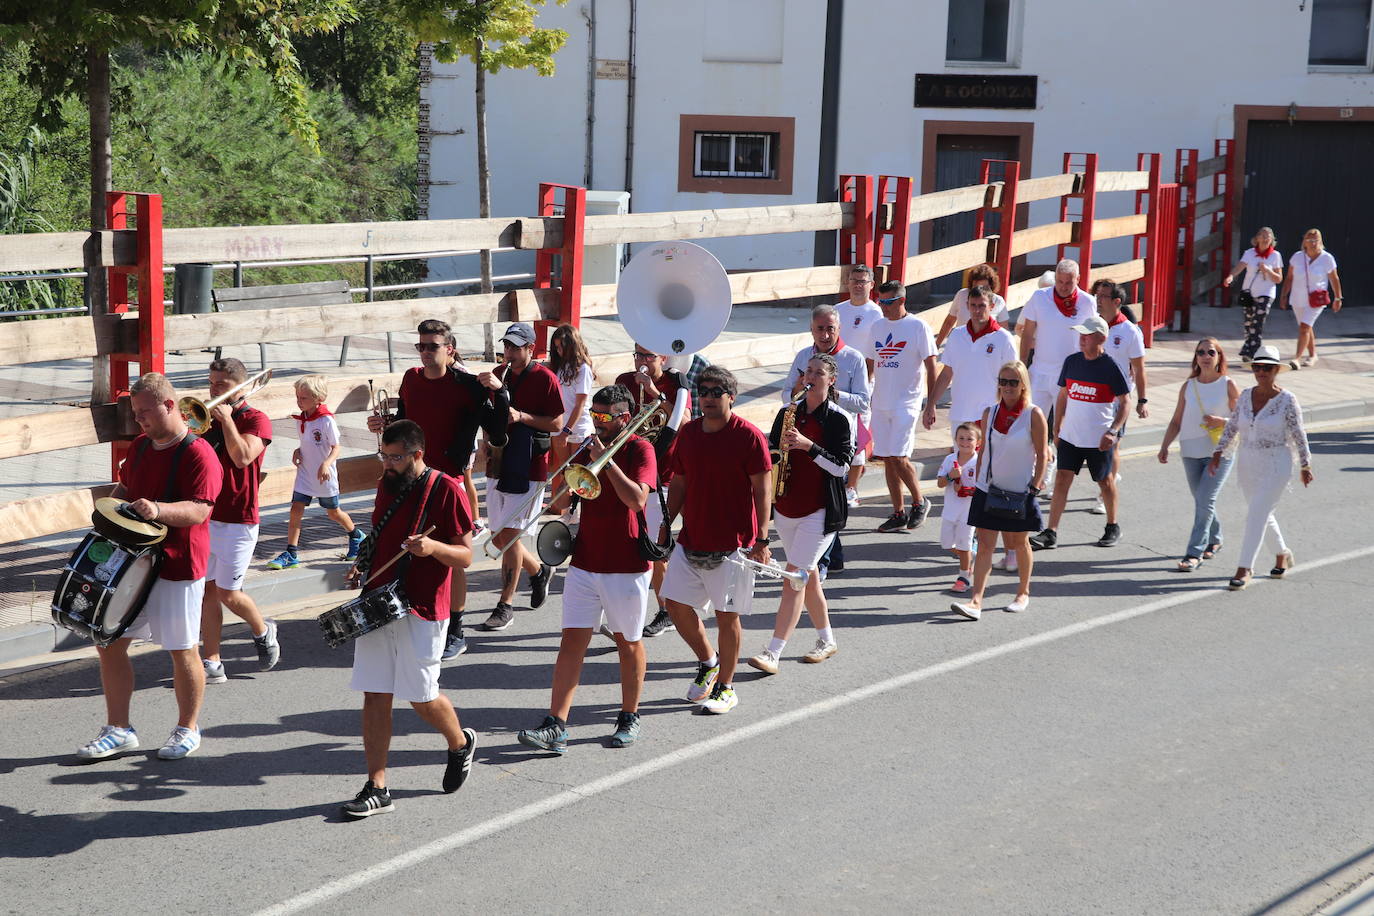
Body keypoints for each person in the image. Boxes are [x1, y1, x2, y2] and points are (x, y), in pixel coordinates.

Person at [76, 372, 222, 762]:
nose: (139, 420)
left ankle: (188, 728)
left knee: (182, 649)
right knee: (108, 642)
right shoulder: (140, 447)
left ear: (169, 405)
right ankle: (119, 729)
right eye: (135, 413)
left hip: (178, 565)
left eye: (144, 412)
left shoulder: (199, 453)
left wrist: (157, 509)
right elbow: (125, 488)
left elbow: (198, 510)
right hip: (133, 564)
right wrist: (112, 507)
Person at [340, 420, 477, 817]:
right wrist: (361, 564)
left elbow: (466, 555)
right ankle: (377, 785)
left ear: (417, 455)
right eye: (384, 455)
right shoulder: (388, 482)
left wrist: (433, 546)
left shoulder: (446, 488)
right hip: (379, 600)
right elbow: (378, 534)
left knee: (421, 696)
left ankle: (459, 743)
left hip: (423, 605)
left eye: (395, 457)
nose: (387, 463)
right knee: (375, 693)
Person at [516, 385, 657, 754]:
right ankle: (556, 724)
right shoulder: (588, 447)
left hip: (627, 567)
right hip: (584, 563)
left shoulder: (640, 449)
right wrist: (565, 464)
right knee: (571, 644)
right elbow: (561, 505)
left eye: (605, 416)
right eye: (594, 414)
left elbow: (637, 499)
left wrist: (606, 462)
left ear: (625, 418)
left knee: (628, 643)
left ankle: (629, 714)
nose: (597, 421)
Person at [369, 318, 511, 660]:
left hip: (446, 482)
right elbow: (406, 422)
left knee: (451, 557)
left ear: (450, 350)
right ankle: (408, 614)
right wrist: (384, 425)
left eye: (432, 346)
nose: (425, 353)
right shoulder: (411, 379)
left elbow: (499, 432)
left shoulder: (468, 385)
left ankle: (456, 629)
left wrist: (501, 392)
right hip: (410, 478)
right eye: (421, 346)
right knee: (410, 549)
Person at [660, 365, 772, 714]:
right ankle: (708, 661)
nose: (707, 397)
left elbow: (762, 488)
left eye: (715, 392)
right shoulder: (689, 435)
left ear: (730, 397)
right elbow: (679, 481)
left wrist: (763, 540)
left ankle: (725, 686)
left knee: (727, 616)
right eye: (703, 391)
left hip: (734, 545)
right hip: (691, 538)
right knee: (674, 604)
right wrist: (666, 525)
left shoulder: (749, 436)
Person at [749, 354, 852, 674]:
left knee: (794, 577)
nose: (811, 377)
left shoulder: (838, 418)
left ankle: (773, 651)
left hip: (820, 511)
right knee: (806, 581)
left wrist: (809, 446)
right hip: (787, 507)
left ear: (831, 380)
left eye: (818, 373)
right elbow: (773, 454)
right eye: (808, 371)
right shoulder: (787, 413)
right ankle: (827, 640)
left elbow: (842, 466)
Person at [477, 322, 564, 631]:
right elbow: (488, 414)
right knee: (499, 533)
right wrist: (485, 441)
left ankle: (505, 604)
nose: (510, 352)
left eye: (516, 347)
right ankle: (538, 570)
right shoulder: (498, 373)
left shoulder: (545, 378)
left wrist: (522, 417)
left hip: (529, 463)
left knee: (511, 534)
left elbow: (556, 423)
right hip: (499, 459)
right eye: (507, 346)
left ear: (531, 349)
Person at [198, 358, 278, 683]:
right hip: (205, 516)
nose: (214, 390)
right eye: (211, 382)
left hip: (239, 520)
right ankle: (212, 661)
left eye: (222, 385)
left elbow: (243, 456)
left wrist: (228, 421)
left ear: (242, 387)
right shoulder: (205, 418)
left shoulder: (256, 419)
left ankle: (262, 630)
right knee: (206, 592)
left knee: (228, 593)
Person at [1209, 346, 1313, 591]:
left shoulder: (1287, 400)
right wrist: (1218, 453)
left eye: (1267, 368)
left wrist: (1306, 464)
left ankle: (1245, 568)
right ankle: (1281, 554)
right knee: (1261, 514)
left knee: (1256, 513)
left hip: (1277, 462)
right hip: (1248, 462)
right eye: (1257, 367)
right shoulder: (1245, 395)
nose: (1261, 372)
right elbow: (1233, 426)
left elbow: (1299, 433)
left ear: (1277, 370)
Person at [951, 361, 1047, 619]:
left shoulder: (1033, 414)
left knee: (1018, 542)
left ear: (1023, 384)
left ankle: (1023, 592)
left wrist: (1035, 486)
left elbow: (1042, 453)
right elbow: (984, 453)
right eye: (1002, 381)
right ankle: (976, 601)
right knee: (984, 544)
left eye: (1013, 382)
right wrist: (977, 481)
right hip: (988, 488)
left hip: (1020, 490)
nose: (1006, 387)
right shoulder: (990, 412)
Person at [781, 304, 869, 575]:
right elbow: (786, 393)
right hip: (802, 435)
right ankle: (833, 556)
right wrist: (803, 393)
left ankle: (823, 563)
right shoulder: (802, 357)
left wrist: (829, 392)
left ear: (839, 329)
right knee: (817, 499)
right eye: (820, 328)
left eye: (830, 328)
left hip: (836, 436)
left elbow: (864, 402)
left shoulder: (854, 358)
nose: (825, 334)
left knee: (830, 495)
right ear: (811, 329)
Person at [1029, 314, 1130, 551]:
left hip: (1098, 439)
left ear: (1101, 338)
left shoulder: (1110, 366)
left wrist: (1113, 432)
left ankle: (1112, 526)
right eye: (1081, 335)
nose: (1081, 339)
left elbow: (1125, 402)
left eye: (1086, 335)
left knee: (1105, 481)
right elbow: (1063, 394)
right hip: (1071, 437)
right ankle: (1051, 532)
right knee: (1063, 479)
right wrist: (1057, 425)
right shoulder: (1072, 361)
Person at [615, 346, 692, 638]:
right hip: (631, 472)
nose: (641, 361)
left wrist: (656, 395)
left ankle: (666, 611)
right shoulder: (625, 379)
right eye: (637, 354)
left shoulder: (676, 383)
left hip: (664, 474)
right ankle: (626, 611)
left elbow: (684, 423)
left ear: (663, 358)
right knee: (629, 542)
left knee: (655, 548)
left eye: (648, 356)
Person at [1157, 338, 1240, 571]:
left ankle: (1194, 553)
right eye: (1200, 352)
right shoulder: (1189, 386)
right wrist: (1164, 446)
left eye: (1210, 352)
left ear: (1219, 357)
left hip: (1220, 451)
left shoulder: (1227, 384)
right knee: (1202, 500)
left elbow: (1244, 418)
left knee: (1205, 500)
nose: (1205, 356)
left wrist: (1221, 421)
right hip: (1190, 450)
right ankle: (1215, 538)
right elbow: (1176, 420)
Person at [1018, 258, 1097, 503]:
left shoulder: (1087, 302)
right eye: (1060, 282)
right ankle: (1032, 476)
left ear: (1078, 280)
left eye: (1068, 282)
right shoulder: (1039, 298)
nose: (1063, 287)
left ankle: (1059, 478)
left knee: (1065, 431)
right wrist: (1022, 366)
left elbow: (1092, 336)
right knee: (1032, 428)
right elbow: (1027, 332)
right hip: (1040, 373)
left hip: (1071, 378)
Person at [267, 375, 365, 570]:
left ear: (317, 398)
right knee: (296, 509)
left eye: (303, 398)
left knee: (333, 513)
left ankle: (357, 536)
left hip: (324, 475)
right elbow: (307, 443)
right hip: (305, 472)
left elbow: (336, 447)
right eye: (297, 397)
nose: (298, 401)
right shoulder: (301, 419)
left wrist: (326, 464)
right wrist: (298, 450)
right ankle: (291, 552)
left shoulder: (326, 420)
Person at [867, 279, 937, 533]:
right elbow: (870, 364)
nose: (883, 307)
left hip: (907, 402)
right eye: (880, 302)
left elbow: (931, 366)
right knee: (887, 458)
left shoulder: (918, 327)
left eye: (887, 302)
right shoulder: (877, 327)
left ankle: (919, 501)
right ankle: (898, 512)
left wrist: (931, 405)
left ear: (901, 300)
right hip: (881, 402)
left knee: (899, 456)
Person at [1089, 280, 1149, 515]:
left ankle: (1104, 494)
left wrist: (1142, 401)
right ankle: (1107, 478)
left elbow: (1140, 369)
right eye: (1097, 295)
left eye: (1103, 296)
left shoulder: (1129, 331)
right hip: (1092, 397)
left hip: (1116, 400)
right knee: (1093, 446)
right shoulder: (1092, 325)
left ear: (1116, 302)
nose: (1098, 300)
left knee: (1111, 447)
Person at [925, 285, 1016, 440]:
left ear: (992, 306)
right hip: (960, 414)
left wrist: (1010, 413)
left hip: (991, 415)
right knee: (961, 462)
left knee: (986, 463)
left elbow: (1014, 379)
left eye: (982, 305)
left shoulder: (1004, 338)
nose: (977, 310)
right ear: (967, 306)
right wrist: (930, 404)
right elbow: (947, 374)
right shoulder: (957, 335)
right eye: (973, 305)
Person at [546, 323, 595, 518]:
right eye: (556, 347)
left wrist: (567, 430)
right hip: (561, 426)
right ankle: (562, 508)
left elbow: (580, 404)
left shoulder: (583, 369)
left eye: (561, 347)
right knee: (562, 470)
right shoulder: (561, 366)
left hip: (577, 428)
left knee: (575, 473)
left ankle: (573, 509)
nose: (558, 351)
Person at [1279, 228, 1343, 367]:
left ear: (1321, 241)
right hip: (1297, 298)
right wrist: (1283, 295)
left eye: (1316, 240)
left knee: (1304, 327)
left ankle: (1297, 358)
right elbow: (1289, 278)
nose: (1313, 243)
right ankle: (1313, 355)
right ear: (1304, 242)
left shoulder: (1327, 258)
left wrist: (1338, 298)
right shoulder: (1297, 257)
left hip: (1316, 299)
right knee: (1306, 327)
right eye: (1310, 240)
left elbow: (1334, 278)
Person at [1222, 227, 1283, 363]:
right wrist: (1231, 276)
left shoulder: (1275, 256)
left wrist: (1267, 270)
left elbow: (1278, 279)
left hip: (1266, 292)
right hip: (1249, 292)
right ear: (1257, 239)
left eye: (1269, 236)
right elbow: (1240, 266)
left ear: (1272, 240)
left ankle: (1253, 352)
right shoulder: (1249, 253)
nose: (1266, 238)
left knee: (1258, 322)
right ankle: (1248, 347)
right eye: (1263, 235)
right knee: (1249, 323)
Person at [936, 423, 981, 593]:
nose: (964, 442)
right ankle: (970, 553)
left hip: (969, 512)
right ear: (955, 440)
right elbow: (940, 483)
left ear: (977, 442)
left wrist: (966, 490)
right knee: (947, 544)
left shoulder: (979, 462)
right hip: (950, 510)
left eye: (969, 439)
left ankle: (964, 577)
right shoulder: (950, 460)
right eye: (961, 438)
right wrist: (950, 476)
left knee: (963, 544)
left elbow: (983, 488)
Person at [934, 262, 1012, 347]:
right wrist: (937, 345)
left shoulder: (998, 301)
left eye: (983, 287)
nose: (979, 291)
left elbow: (1004, 331)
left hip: (986, 349)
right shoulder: (962, 295)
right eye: (976, 287)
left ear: (991, 286)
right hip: (962, 344)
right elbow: (949, 322)